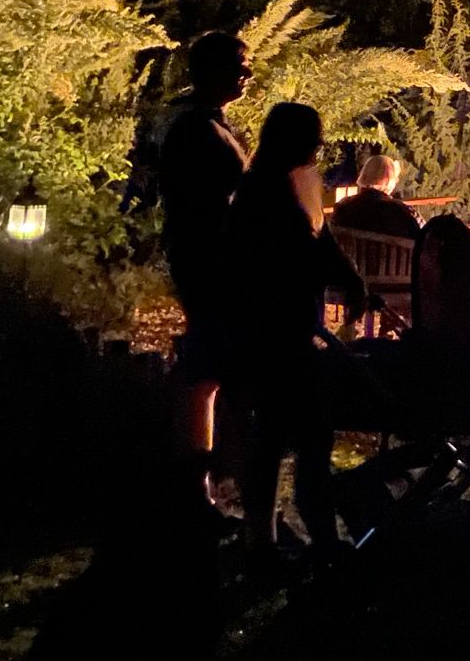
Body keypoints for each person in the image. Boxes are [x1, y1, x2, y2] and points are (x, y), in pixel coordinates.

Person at [226, 102, 365, 559]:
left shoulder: (294, 180)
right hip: (273, 329)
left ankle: (294, 533)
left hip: (293, 327)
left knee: (301, 433)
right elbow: (289, 254)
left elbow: (319, 236)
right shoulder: (262, 190)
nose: (319, 144)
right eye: (312, 136)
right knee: (287, 433)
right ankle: (271, 537)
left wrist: (349, 277)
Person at [156, 29, 251, 516]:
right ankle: (196, 481)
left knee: (210, 367)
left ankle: (203, 479)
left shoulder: (210, 125)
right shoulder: (196, 130)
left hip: (211, 262)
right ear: (210, 70)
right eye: (239, 63)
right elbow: (199, 201)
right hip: (207, 264)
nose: (247, 72)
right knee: (206, 368)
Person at [330, 153, 421, 240]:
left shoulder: (343, 208)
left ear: (364, 175)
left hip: (351, 256)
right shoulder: (402, 212)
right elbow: (423, 235)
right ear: (389, 180)